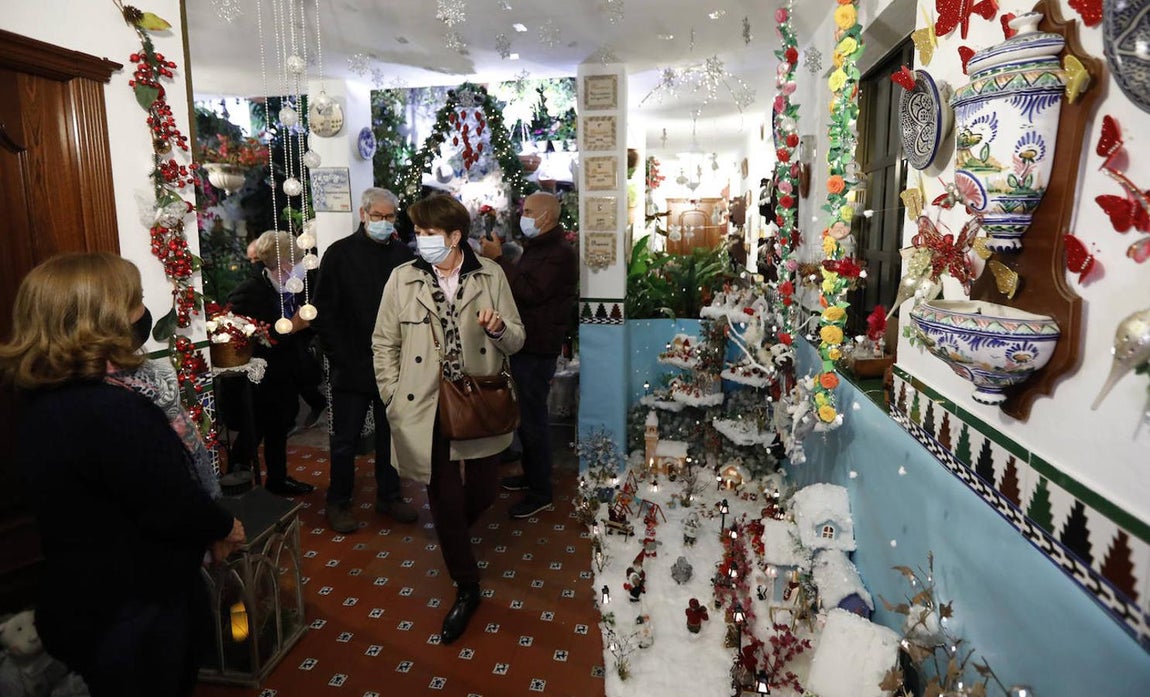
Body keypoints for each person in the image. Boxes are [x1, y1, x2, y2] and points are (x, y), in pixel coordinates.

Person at [0, 252, 244, 697]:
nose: (142, 313)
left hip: (90, 598)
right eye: (134, 301)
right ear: (102, 318)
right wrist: (223, 524)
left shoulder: (48, 392)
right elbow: (167, 499)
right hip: (134, 612)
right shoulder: (108, 408)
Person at [373, 194, 524, 645]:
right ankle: (467, 585)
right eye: (417, 233)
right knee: (442, 494)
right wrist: (392, 397)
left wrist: (498, 329)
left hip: (477, 400)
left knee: (483, 489)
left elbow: (517, 338)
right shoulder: (402, 279)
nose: (421, 241)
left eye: (429, 234)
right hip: (423, 405)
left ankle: (455, 534)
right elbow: (384, 343)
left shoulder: (490, 274)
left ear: (455, 236)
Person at [312, 188, 417, 533]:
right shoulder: (339, 254)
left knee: (392, 436)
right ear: (363, 214)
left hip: (393, 365)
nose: (385, 223)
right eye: (379, 216)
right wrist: (338, 355)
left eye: (391, 217)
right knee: (345, 440)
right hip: (351, 363)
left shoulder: (404, 256)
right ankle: (338, 502)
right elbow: (324, 311)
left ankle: (390, 495)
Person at [478, 192, 578, 519]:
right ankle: (531, 476)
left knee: (534, 421)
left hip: (537, 348)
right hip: (524, 344)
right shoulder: (539, 248)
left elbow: (531, 292)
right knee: (524, 419)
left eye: (529, 211)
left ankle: (541, 492)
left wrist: (499, 260)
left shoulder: (561, 253)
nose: (524, 215)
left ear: (546, 218)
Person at [227, 230, 316, 497]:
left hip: (288, 372)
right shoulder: (249, 292)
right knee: (254, 431)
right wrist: (293, 327)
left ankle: (277, 479)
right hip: (260, 377)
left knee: (280, 428)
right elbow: (247, 335)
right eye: (296, 262)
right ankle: (236, 481)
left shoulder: (299, 285)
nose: (300, 268)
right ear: (282, 265)